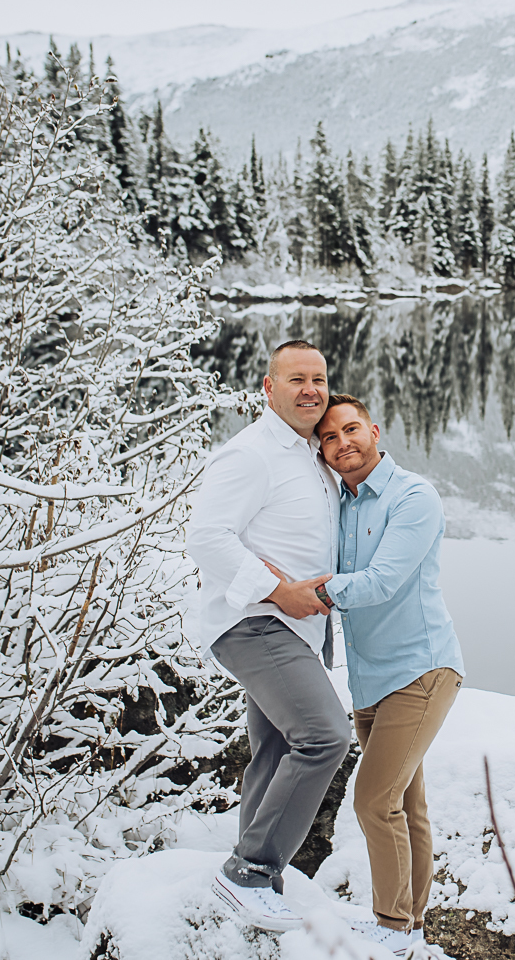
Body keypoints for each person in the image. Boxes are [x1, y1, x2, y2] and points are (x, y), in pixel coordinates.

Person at [185, 339, 350, 933]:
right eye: (297, 378)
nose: (311, 389)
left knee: (276, 749)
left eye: (320, 379)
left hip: (299, 630)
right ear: (268, 387)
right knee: (325, 736)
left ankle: (258, 886)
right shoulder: (252, 453)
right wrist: (277, 591)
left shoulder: (312, 454)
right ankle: (248, 873)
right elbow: (206, 536)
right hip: (255, 623)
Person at [305, 393, 465, 955]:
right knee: (406, 805)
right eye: (328, 437)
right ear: (321, 449)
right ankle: (415, 928)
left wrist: (309, 592)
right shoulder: (339, 504)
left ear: (373, 430)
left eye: (351, 430)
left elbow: (379, 582)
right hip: (369, 680)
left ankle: (392, 928)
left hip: (420, 671)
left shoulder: (413, 497)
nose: (342, 443)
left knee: (373, 801)